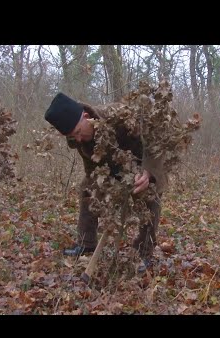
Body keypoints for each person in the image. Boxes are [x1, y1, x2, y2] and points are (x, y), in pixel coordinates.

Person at [44, 93, 168, 273]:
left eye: (78, 132)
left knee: (151, 197)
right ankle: (86, 243)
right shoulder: (78, 137)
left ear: (86, 117)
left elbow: (155, 138)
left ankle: (144, 252)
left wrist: (148, 172)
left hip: (144, 161)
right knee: (87, 189)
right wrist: (104, 190)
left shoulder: (118, 115)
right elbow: (91, 167)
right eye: (72, 137)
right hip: (112, 169)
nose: (77, 139)